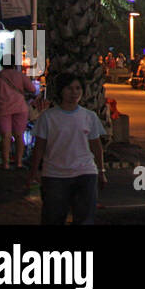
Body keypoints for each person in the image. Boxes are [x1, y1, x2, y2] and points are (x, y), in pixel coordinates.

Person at [28, 73, 106, 225]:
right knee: (53, 217)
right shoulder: (48, 117)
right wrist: (34, 171)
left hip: (85, 172)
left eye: (78, 88)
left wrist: (101, 171)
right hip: (55, 174)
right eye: (69, 88)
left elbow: (96, 146)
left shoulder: (89, 117)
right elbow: (39, 147)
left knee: (84, 218)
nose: (74, 92)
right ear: (61, 91)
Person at [0, 63, 37, 169]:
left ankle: (5, 163)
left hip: (3, 108)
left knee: (6, 136)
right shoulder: (20, 75)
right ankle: (18, 162)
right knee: (19, 135)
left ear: (2, 64)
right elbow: (33, 89)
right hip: (20, 107)